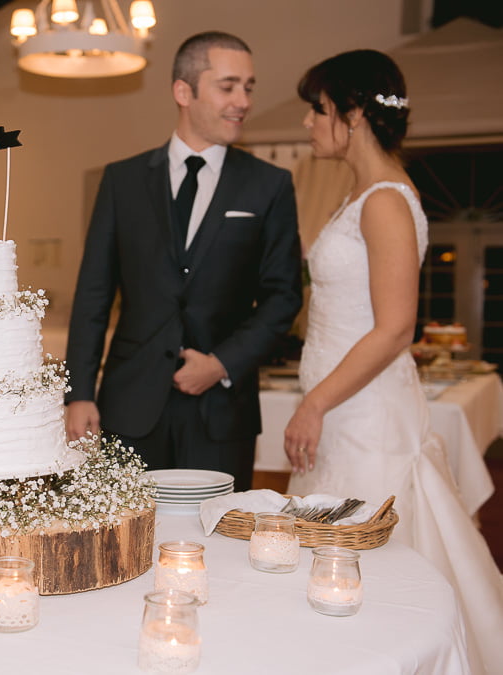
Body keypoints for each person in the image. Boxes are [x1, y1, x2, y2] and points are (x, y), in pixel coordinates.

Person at [282, 49, 503, 674]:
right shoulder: (365, 194)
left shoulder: (383, 200)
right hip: (347, 414)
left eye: (317, 109)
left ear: (353, 115)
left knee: (369, 562)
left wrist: (315, 402)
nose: (308, 123)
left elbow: (396, 326)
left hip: (363, 417)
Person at [65, 32, 302, 491]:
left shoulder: (269, 185)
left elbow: (283, 296)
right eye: (228, 86)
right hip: (129, 405)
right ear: (183, 91)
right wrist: (79, 394)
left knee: (217, 544)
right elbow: (93, 293)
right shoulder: (122, 181)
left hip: (222, 412)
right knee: (125, 542)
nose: (242, 101)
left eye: (249, 87)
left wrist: (221, 363)